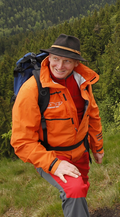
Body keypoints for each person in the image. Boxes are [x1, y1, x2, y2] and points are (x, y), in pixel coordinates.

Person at [11, 34, 104, 217]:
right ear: (48, 57)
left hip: (80, 151)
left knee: (80, 189)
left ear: (76, 63)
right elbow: (21, 142)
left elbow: (92, 114)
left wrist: (97, 146)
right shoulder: (32, 89)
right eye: (56, 59)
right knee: (74, 190)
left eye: (67, 61)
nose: (60, 66)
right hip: (50, 155)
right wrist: (54, 164)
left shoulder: (82, 81)